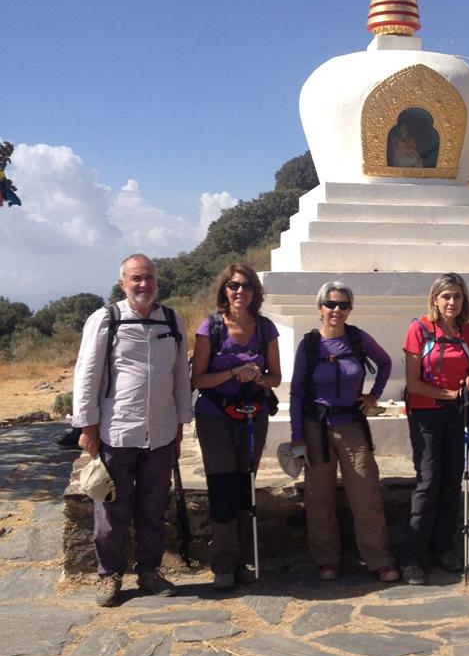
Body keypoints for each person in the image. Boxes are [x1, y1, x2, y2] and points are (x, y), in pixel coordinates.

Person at [73, 254, 193, 607]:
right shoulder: (106, 319)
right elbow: (87, 374)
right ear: (123, 283)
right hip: (116, 430)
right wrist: (88, 426)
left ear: (157, 281)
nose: (144, 284)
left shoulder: (171, 320)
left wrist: (181, 422)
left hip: (161, 431)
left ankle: (149, 572)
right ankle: (109, 575)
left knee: (154, 508)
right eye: (136, 278)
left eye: (149, 278)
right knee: (111, 509)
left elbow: (179, 378)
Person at [289, 281, 398, 583]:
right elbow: (297, 392)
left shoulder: (357, 339)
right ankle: (326, 559)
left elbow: (386, 362)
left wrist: (374, 394)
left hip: (351, 424)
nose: (336, 310)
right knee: (319, 497)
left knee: (366, 493)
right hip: (316, 428)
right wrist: (297, 436)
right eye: (330, 304)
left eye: (343, 305)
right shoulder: (309, 345)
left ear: (350, 309)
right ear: (319, 308)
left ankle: (378, 559)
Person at [191, 263, 281, 590]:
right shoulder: (210, 329)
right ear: (224, 290)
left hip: (252, 415)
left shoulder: (266, 328)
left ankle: (245, 558)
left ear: (255, 291)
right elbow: (198, 379)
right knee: (223, 484)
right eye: (232, 286)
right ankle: (224, 563)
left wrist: (257, 376)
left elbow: (276, 378)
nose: (239, 291)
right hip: (215, 416)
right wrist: (232, 373)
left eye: (246, 286)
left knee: (246, 484)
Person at [402, 272, 469, 584]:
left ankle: (443, 547)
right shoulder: (419, 329)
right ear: (435, 299)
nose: (451, 302)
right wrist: (448, 394)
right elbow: (412, 383)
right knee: (428, 481)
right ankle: (411, 556)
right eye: (446, 296)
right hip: (426, 415)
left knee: (451, 481)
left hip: (458, 414)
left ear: (464, 301)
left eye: (457, 296)